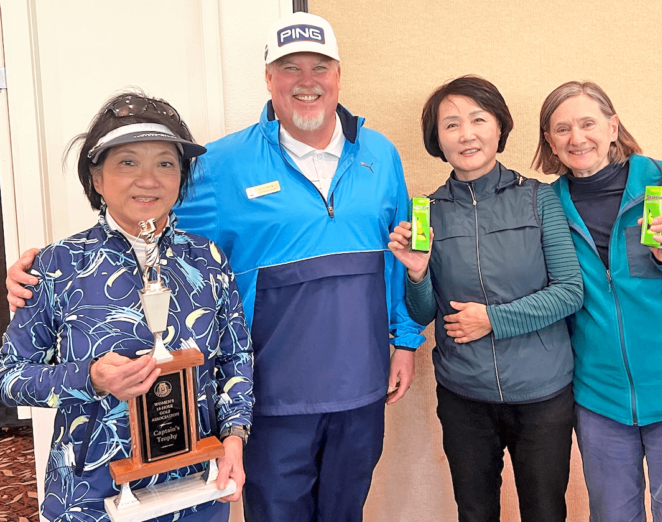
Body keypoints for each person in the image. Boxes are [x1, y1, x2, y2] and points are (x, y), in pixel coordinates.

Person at [6, 13, 424, 522]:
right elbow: (143, 218)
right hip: (264, 404)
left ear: (339, 73)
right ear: (268, 78)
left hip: (342, 395)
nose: (307, 81)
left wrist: (404, 339)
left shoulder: (379, 154)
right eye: (290, 68)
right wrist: (44, 271)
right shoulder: (223, 165)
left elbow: (403, 254)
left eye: (321, 66)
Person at [0, 92, 253, 522]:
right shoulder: (57, 266)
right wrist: (92, 377)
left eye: (166, 163)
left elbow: (235, 358)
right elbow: (10, 376)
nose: (149, 179)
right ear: (97, 179)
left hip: (194, 493)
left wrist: (233, 437)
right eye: (128, 162)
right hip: (91, 499)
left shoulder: (207, 260)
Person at [388, 75, 583, 522]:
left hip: (543, 392)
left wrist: (495, 319)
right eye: (451, 124)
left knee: (545, 511)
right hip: (464, 395)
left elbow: (570, 290)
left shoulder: (539, 199)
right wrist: (416, 273)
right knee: (474, 512)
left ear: (499, 127)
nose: (467, 134)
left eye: (479, 119)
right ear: (437, 139)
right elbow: (423, 314)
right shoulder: (427, 211)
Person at [533, 80, 662, 521]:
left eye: (588, 123)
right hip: (599, 399)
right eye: (562, 128)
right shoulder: (546, 206)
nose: (577, 137)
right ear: (549, 140)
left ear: (612, 125)